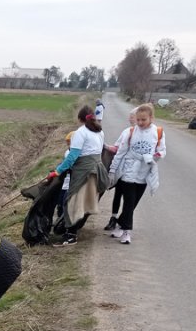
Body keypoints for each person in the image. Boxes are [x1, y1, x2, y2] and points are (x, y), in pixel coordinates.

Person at [47, 105, 108, 245]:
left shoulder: (80, 132)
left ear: (80, 119)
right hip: (96, 171)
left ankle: (71, 235)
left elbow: (72, 156)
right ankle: (73, 231)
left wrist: (58, 171)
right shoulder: (99, 131)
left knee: (73, 201)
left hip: (84, 173)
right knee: (85, 202)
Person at [106, 103, 166, 245]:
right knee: (129, 201)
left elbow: (162, 150)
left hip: (144, 172)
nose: (140, 123)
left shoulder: (158, 132)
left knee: (134, 202)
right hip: (128, 170)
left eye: (143, 120)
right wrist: (113, 170)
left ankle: (121, 224)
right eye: (138, 120)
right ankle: (127, 232)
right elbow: (120, 152)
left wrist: (155, 156)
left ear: (151, 118)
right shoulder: (130, 132)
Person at [105, 109, 137, 231]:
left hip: (134, 171)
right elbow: (117, 149)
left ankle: (122, 220)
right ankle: (113, 218)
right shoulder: (126, 131)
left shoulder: (145, 134)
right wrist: (105, 146)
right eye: (130, 117)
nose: (129, 119)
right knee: (118, 194)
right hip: (122, 169)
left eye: (132, 117)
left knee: (129, 198)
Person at [55, 132, 74, 222]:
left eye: (69, 142)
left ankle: (63, 214)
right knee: (62, 193)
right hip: (66, 177)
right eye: (67, 142)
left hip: (71, 176)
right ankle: (60, 211)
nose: (68, 144)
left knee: (65, 195)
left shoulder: (72, 153)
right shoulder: (68, 152)